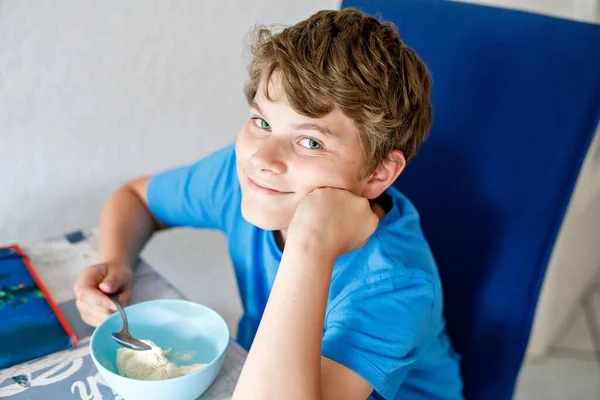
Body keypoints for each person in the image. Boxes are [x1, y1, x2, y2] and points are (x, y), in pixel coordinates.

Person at [73, 8, 463, 400]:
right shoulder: (247, 179)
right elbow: (137, 199)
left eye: (310, 142)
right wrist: (116, 261)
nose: (263, 158)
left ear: (378, 173)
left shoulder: (396, 284)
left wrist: (310, 244)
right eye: (262, 122)